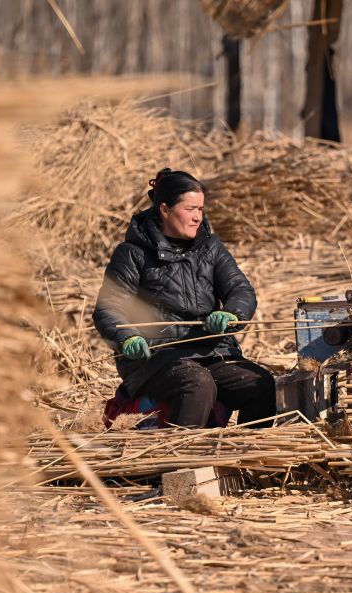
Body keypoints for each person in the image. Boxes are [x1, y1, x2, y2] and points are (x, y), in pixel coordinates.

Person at [93, 168, 276, 428]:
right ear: (165, 210)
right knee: (197, 384)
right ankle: (180, 462)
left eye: (201, 209)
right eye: (191, 209)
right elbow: (108, 308)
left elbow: (240, 290)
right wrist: (127, 337)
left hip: (210, 351)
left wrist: (232, 313)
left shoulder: (211, 247)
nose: (198, 217)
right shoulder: (132, 254)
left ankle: (243, 461)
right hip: (155, 359)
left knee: (259, 384)